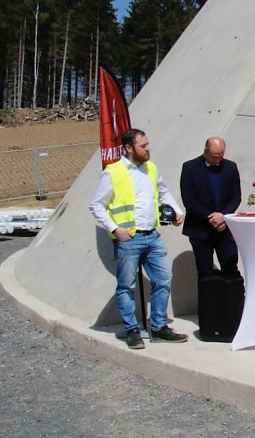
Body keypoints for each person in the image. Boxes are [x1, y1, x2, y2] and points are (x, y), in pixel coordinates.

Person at [89, 128, 188, 349]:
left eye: (148, 144)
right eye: (143, 146)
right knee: (126, 286)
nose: (147, 149)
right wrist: (115, 229)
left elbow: (163, 192)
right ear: (128, 148)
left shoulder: (151, 168)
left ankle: (159, 327)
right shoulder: (113, 172)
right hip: (129, 239)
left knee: (163, 280)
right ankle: (132, 330)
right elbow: (96, 205)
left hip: (152, 236)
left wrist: (176, 210)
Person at [180, 137, 241, 278]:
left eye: (221, 156)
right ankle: (208, 293)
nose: (218, 160)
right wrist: (211, 217)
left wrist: (223, 216)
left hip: (224, 228)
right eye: (214, 156)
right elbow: (189, 199)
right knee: (205, 273)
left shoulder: (230, 167)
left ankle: (230, 293)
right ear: (205, 151)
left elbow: (236, 196)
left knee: (231, 270)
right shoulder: (190, 167)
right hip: (200, 228)